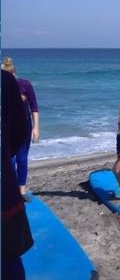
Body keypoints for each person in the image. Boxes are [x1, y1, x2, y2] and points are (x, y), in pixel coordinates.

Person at [2, 69, 34, 280]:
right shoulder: (5, 81)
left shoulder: (8, 81)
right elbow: (19, 129)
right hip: (3, 185)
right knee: (9, 256)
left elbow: (26, 120)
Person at [1, 57, 40, 202]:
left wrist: (36, 127)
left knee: (22, 159)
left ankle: (21, 191)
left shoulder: (25, 85)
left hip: (24, 128)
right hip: (7, 129)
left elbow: (34, 107)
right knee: (9, 161)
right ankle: (11, 190)